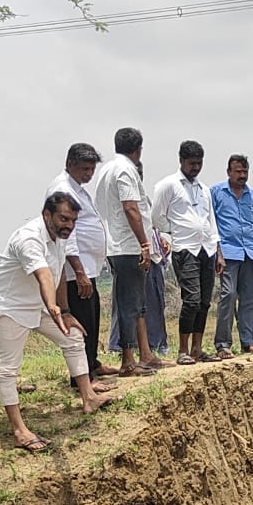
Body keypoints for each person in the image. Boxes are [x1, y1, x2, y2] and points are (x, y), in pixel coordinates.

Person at [0, 193, 115, 451]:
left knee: (73, 335)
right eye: (64, 219)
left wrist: (65, 311)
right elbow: (43, 275)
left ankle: (89, 397)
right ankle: (19, 431)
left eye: (73, 220)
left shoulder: (61, 238)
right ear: (47, 215)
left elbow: (58, 273)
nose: (69, 225)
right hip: (6, 305)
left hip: (39, 302)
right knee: (8, 368)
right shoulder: (29, 238)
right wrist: (52, 306)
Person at [47, 142, 118, 389]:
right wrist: (78, 271)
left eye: (91, 169)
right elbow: (68, 234)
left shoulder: (77, 188)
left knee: (92, 316)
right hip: (75, 269)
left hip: (89, 265)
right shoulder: (63, 189)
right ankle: (82, 376)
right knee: (81, 322)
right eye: (84, 169)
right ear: (70, 164)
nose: (89, 174)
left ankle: (92, 363)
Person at [96, 127, 166, 376]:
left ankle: (145, 354)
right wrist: (144, 244)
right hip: (127, 245)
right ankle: (128, 361)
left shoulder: (107, 169)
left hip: (116, 244)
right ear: (138, 149)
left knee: (137, 303)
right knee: (129, 305)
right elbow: (130, 208)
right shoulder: (126, 170)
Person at [151, 140, 226, 365]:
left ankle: (197, 349)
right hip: (185, 249)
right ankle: (182, 350)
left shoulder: (204, 190)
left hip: (207, 248)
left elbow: (211, 221)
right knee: (191, 300)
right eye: (192, 163)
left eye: (199, 163)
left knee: (204, 302)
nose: (196, 167)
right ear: (182, 160)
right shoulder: (168, 185)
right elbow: (157, 217)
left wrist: (218, 252)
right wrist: (176, 229)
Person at [107, 161, 172, 360]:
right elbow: (130, 220)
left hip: (153, 256)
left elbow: (149, 225)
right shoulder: (123, 199)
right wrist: (144, 246)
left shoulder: (144, 199)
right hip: (133, 253)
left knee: (152, 303)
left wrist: (160, 240)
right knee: (129, 303)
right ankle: (122, 346)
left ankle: (155, 344)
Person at [211, 154, 253, 357]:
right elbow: (211, 224)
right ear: (229, 172)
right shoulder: (216, 193)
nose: (242, 175)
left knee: (252, 298)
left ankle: (250, 341)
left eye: (245, 171)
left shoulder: (252, 196)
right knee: (228, 295)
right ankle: (223, 344)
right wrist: (217, 253)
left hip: (251, 253)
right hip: (228, 253)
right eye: (238, 171)